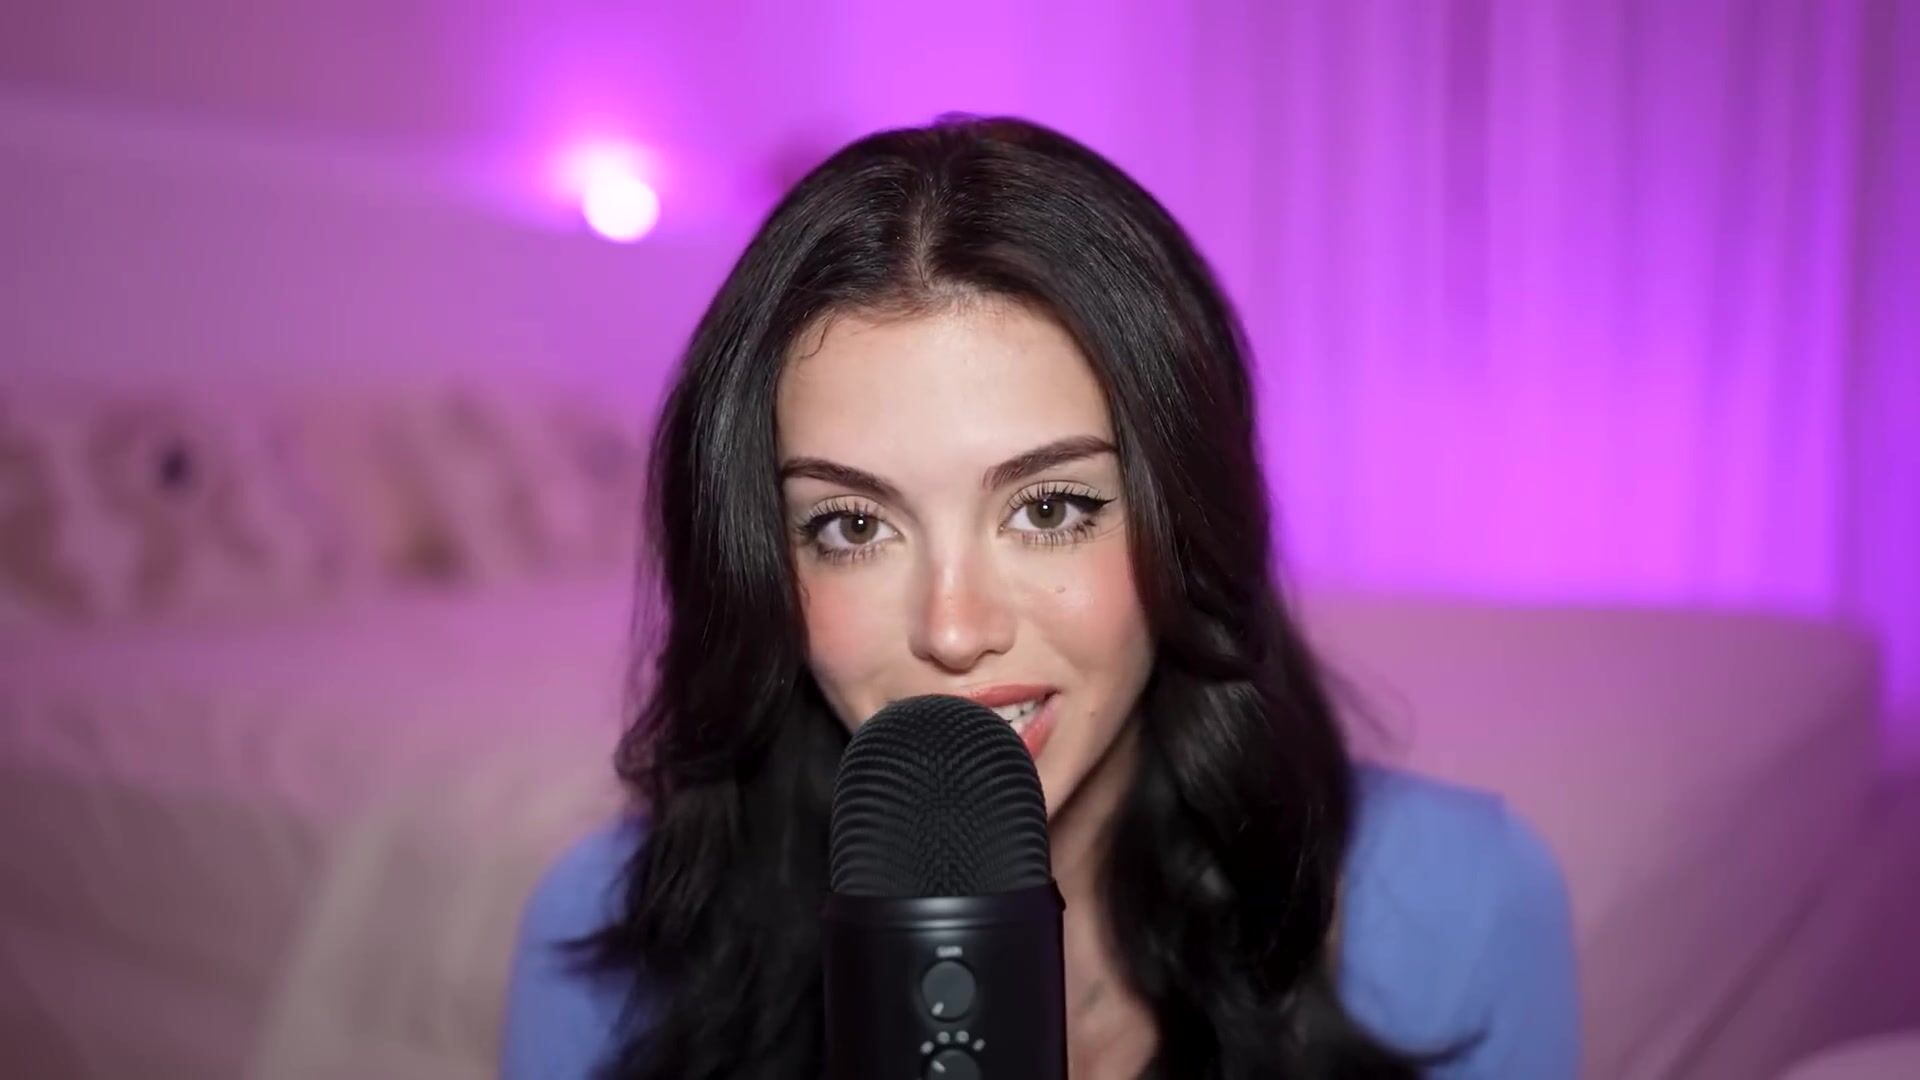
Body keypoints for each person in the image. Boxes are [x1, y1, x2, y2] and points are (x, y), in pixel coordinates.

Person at [501, 115, 1578, 1079]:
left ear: (1186, 517)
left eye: (1050, 508)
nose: (953, 628)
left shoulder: (1456, 907)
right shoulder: (616, 941)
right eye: (853, 527)